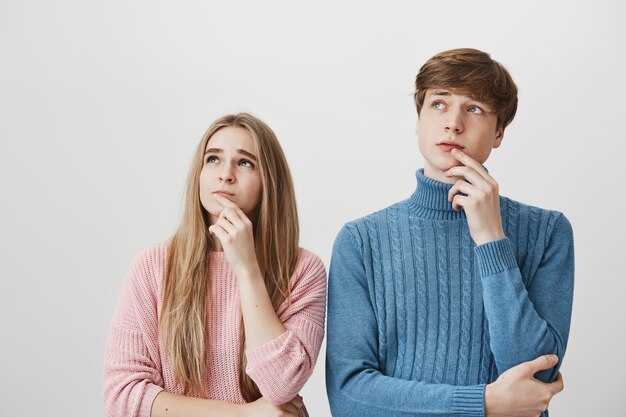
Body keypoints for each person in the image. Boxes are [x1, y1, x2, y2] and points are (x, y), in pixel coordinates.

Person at [326, 49, 574, 417]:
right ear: (419, 120)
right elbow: (349, 397)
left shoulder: (548, 232)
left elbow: (535, 375)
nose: (453, 123)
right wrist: (483, 404)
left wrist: (492, 239)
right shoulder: (361, 241)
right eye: (439, 104)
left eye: (474, 109)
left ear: (499, 132)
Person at [103, 113, 327, 417]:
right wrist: (243, 415)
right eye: (213, 159)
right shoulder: (151, 267)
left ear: (269, 182)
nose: (226, 174)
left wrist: (247, 270)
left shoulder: (302, 270)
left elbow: (281, 385)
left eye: (245, 162)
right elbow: (123, 395)